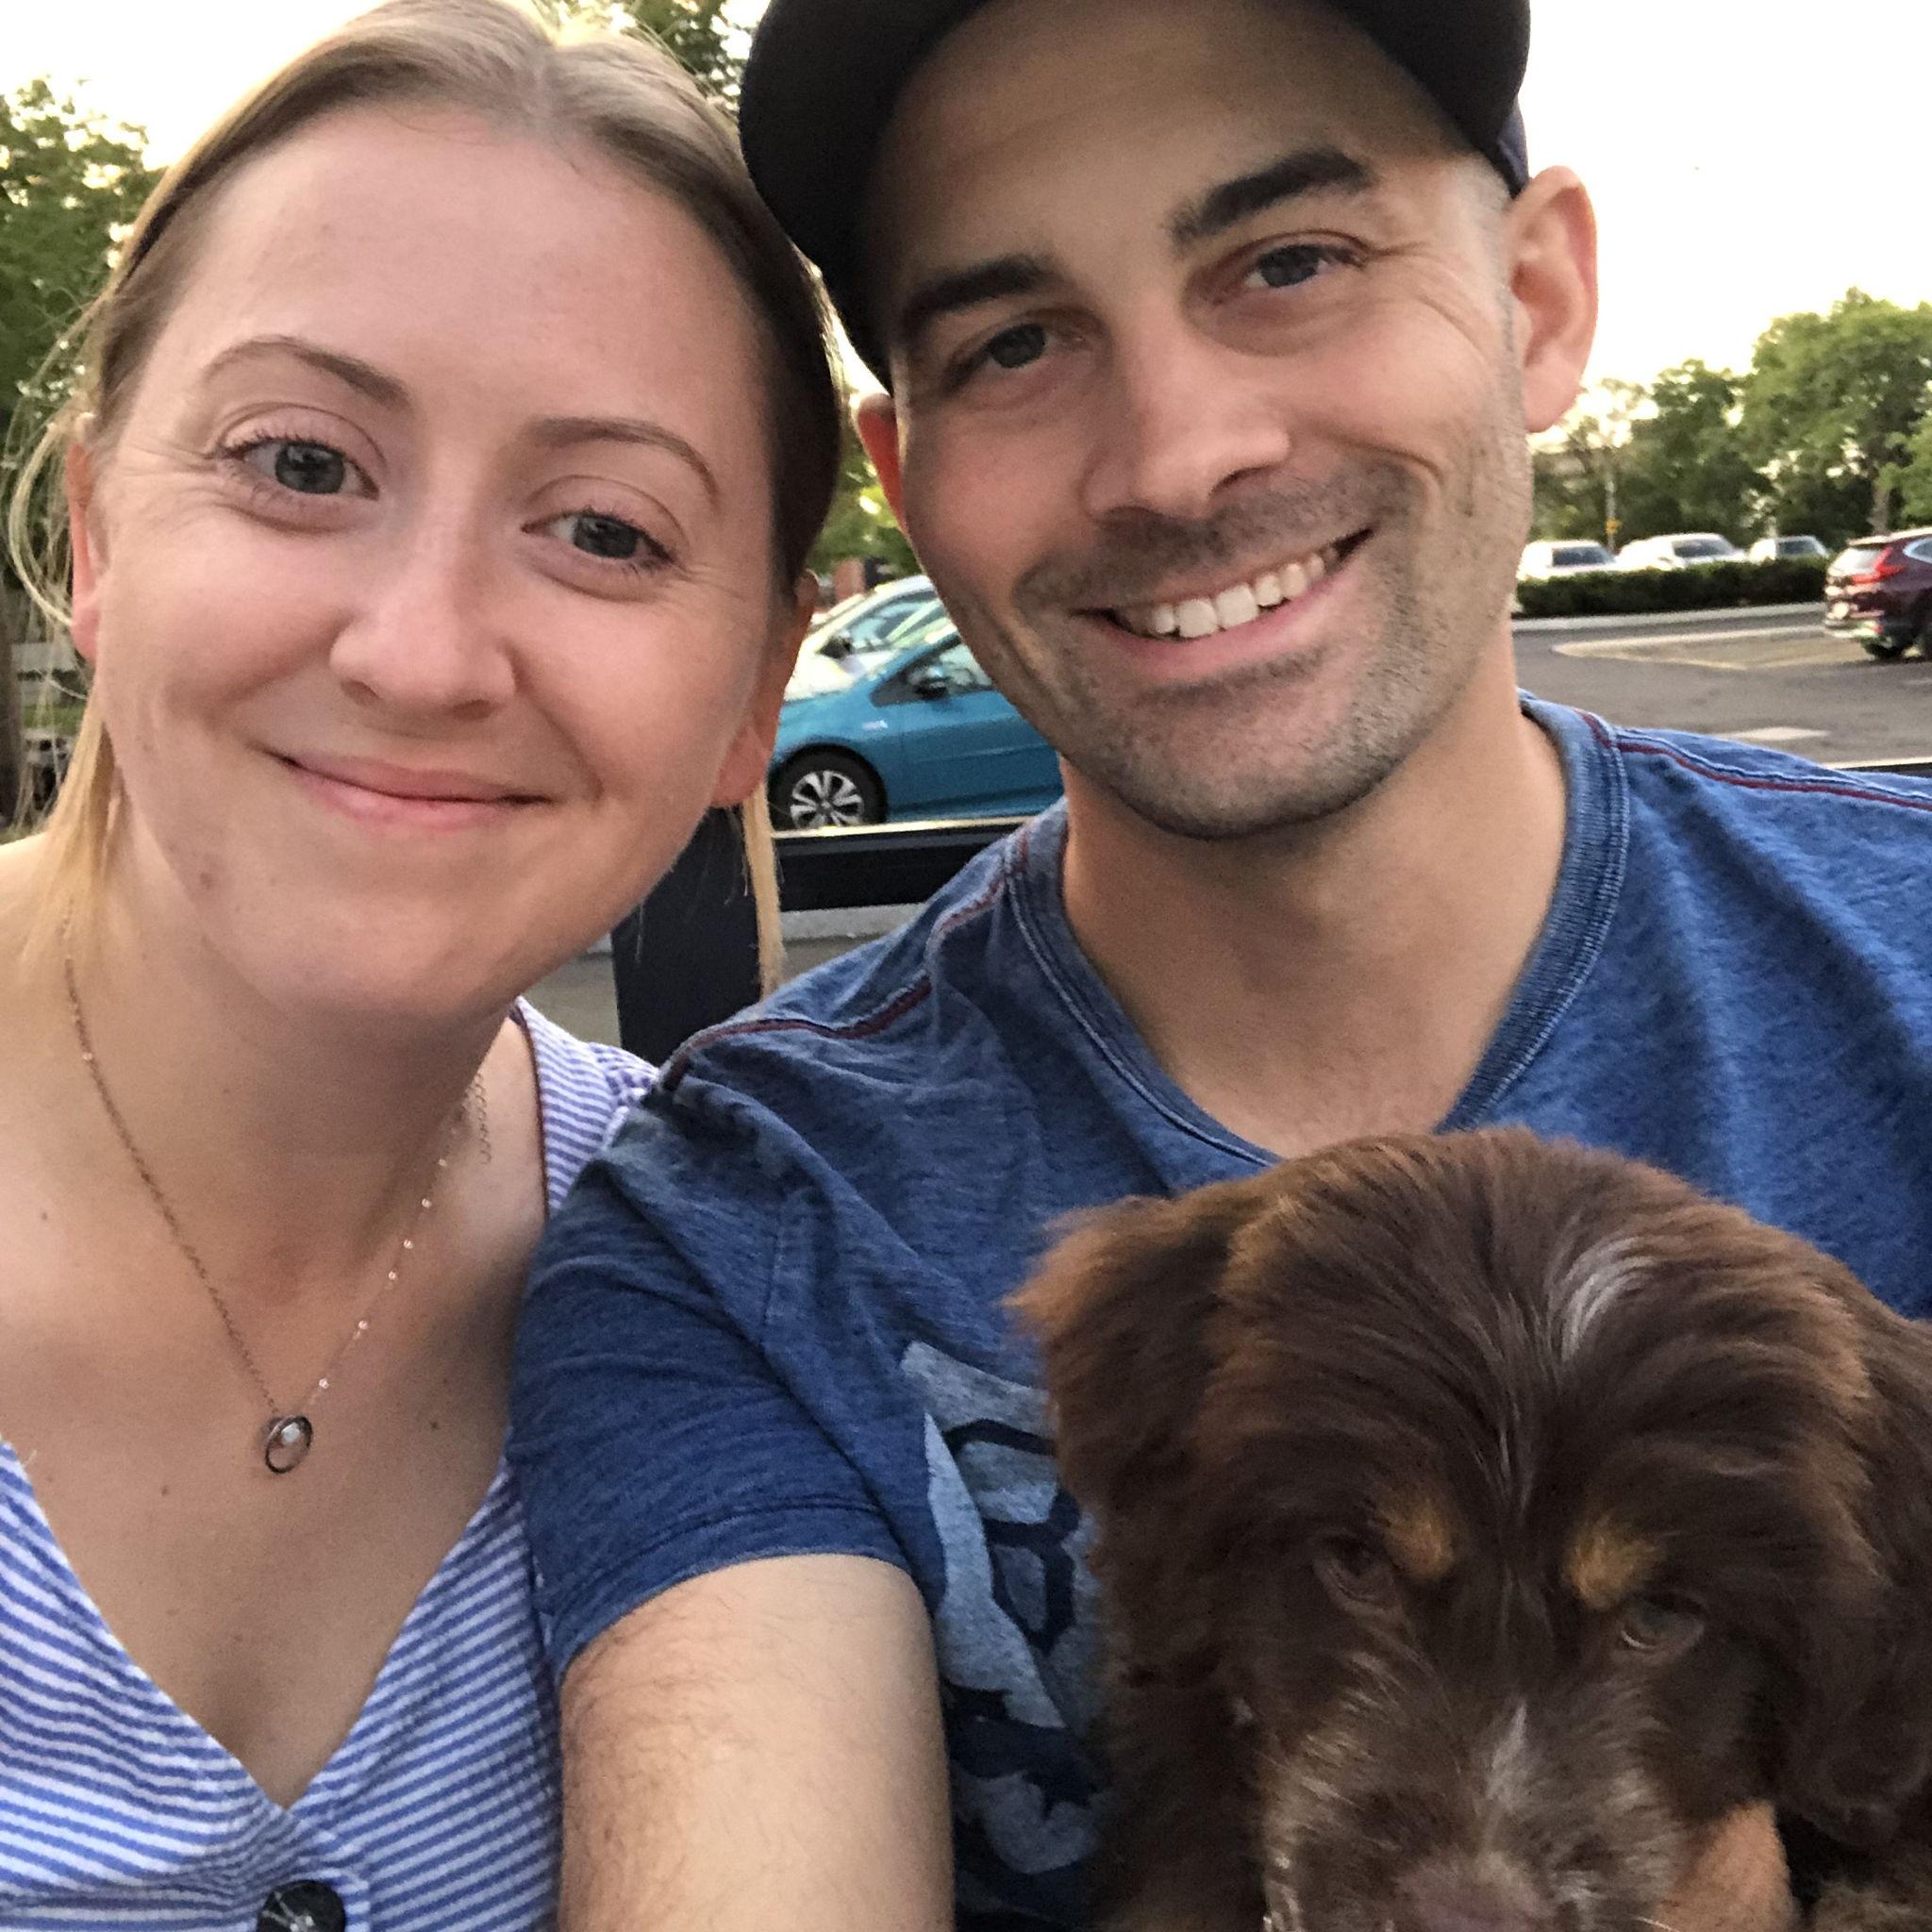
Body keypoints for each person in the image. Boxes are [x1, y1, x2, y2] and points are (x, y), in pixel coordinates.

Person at [508, 0, 1932, 1925]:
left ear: (1536, 302)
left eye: (1290, 261)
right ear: (904, 476)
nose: (1178, 458)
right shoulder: (746, 1227)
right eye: (1014, 342)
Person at [0, 0, 837, 1924]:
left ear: (756, 692)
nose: (422, 652)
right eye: (302, 461)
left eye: (606, 529)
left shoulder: (727, 1265)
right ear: (97, 534)